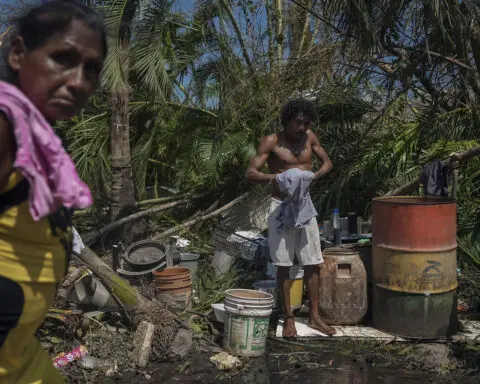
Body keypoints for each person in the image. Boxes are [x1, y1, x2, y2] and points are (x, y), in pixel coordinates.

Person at [0, 2, 106, 383]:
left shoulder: (40, 142)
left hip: (21, 356)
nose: (79, 80)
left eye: (91, 69)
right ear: (18, 54)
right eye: (63, 58)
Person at [245, 98, 336, 338]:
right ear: (287, 121)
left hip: (305, 206)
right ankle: (289, 319)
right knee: (283, 264)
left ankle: (315, 317)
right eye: (298, 122)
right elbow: (251, 173)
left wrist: (313, 176)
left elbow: (328, 163)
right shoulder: (272, 141)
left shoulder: (310, 137)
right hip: (280, 207)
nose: (302, 128)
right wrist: (278, 178)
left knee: (313, 262)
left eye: (306, 123)